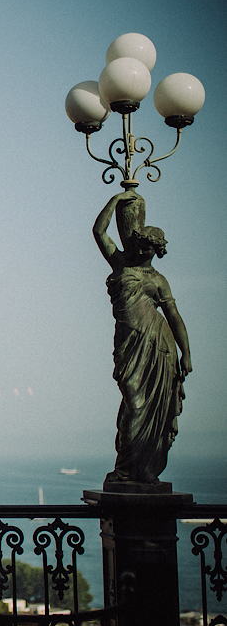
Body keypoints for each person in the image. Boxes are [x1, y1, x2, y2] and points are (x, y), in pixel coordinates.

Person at [92, 189, 191, 484]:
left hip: (159, 345)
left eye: (150, 249)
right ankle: (126, 468)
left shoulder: (158, 280)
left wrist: (186, 352)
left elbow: (174, 317)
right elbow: (99, 231)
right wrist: (115, 201)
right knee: (134, 404)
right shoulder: (120, 263)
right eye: (141, 245)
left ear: (156, 251)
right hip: (129, 344)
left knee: (153, 408)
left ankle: (142, 470)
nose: (143, 252)